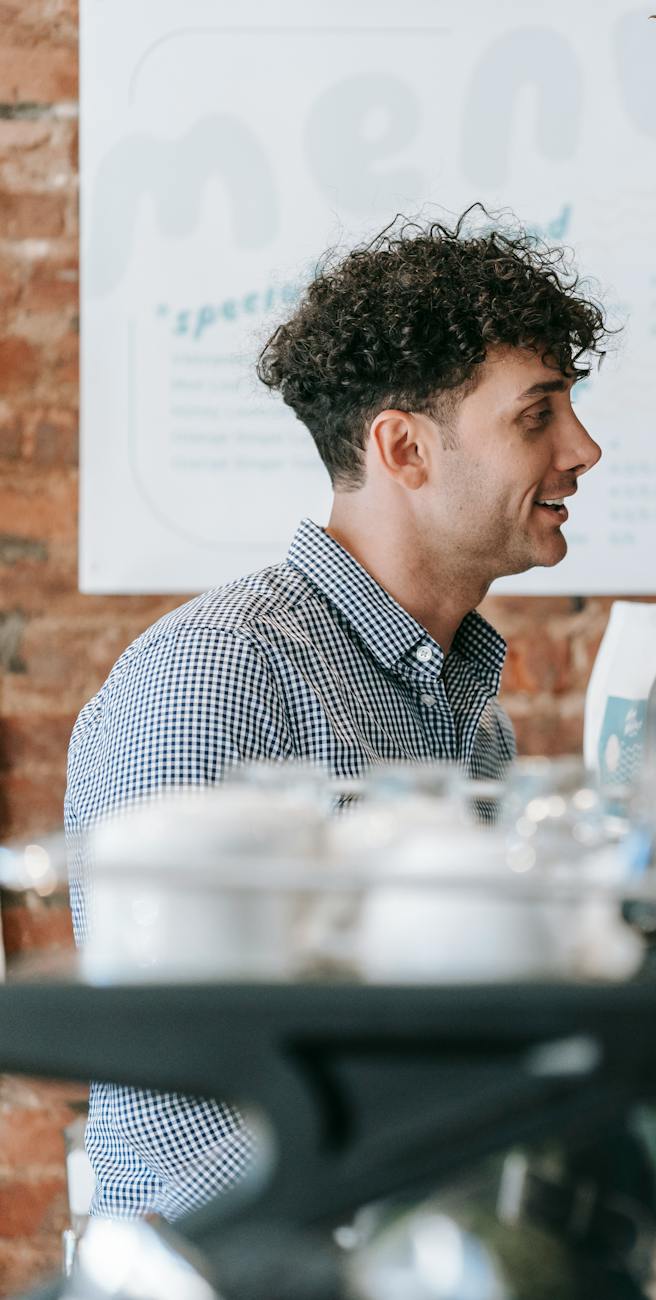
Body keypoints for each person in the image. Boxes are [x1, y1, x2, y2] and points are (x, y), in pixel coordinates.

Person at [63, 211, 608, 1220]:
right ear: (404, 448)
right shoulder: (220, 675)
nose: (584, 448)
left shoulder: (468, 719)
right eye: (538, 415)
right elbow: (188, 1097)